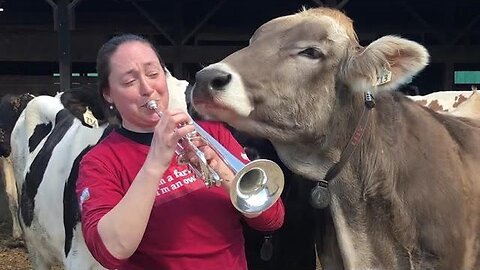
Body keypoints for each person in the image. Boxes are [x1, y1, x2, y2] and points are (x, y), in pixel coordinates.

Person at [75, 33, 285, 270]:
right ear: (108, 94)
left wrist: (220, 167)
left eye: (154, 74)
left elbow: (271, 219)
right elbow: (110, 252)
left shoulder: (214, 135)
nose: (147, 88)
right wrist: (154, 165)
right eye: (129, 82)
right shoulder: (99, 162)